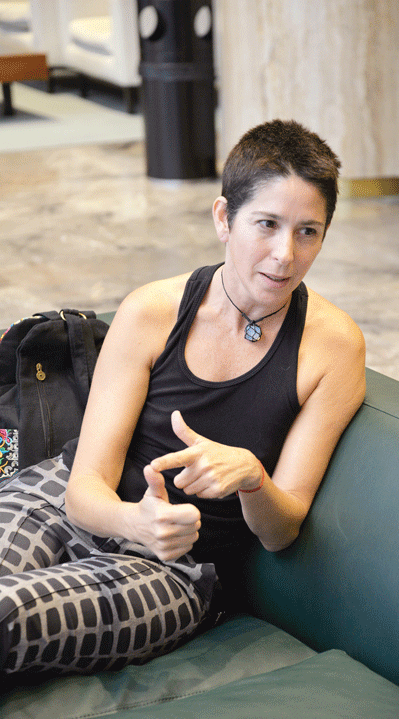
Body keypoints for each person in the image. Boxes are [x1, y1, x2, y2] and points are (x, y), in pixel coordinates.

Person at [0, 119, 365, 676]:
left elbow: (281, 531)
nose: (284, 254)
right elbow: (84, 485)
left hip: (173, 570)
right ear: (224, 218)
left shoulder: (333, 348)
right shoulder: (152, 311)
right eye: (266, 224)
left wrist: (252, 477)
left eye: (307, 232)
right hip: (65, 499)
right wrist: (132, 520)